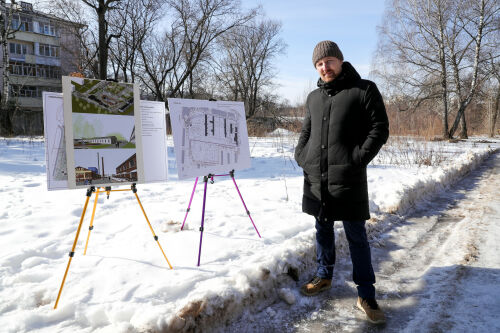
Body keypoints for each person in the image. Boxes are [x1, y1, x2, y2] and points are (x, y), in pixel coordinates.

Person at [294, 40, 389, 324]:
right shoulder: (313, 97)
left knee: (356, 236)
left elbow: (379, 128)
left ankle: (366, 294)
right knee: (321, 227)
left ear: (340, 60)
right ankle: (324, 275)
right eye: (319, 64)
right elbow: (306, 131)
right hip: (317, 177)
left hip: (347, 177)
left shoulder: (364, 89)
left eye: (329, 61)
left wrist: (357, 159)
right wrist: (301, 156)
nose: (325, 67)